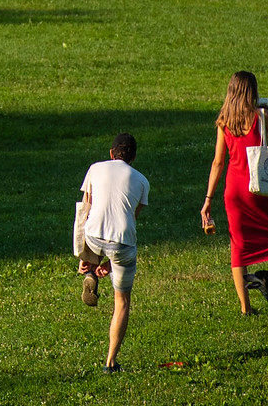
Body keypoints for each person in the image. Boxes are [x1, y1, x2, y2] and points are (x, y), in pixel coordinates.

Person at [201, 71, 268, 315]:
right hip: (260, 187)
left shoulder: (224, 121)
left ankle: (246, 307)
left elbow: (217, 163)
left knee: (239, 248)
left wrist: (208, 200)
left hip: (234, 192)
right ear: (252, 92)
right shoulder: (262, 116)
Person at [74, 132, 150, 373]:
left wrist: (86, 254)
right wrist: (111, 262)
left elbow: (86, 206)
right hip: (122, 243)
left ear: (111, 153)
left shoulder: (95, 168)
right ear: (134, 157)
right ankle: (110, 362)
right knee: (122, 302)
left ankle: (89, 270)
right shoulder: (142, 181)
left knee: (93, 226)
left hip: (93, 236)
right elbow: (130, 219)